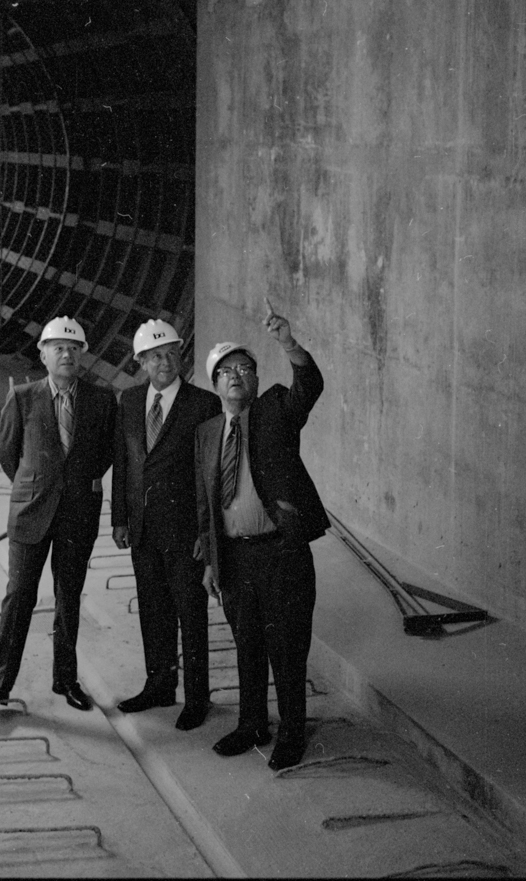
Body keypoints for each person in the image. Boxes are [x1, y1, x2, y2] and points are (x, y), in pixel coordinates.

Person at [194, 299, 328, 769]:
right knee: (247, 646)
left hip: (280, 554)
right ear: (214, 385)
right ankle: (252, 723)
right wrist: (211, 559)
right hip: (234, 558)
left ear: (254, 379)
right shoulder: (208, 432)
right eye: (226, 371)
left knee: (287, 649)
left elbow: (307, 387)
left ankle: (292, 734)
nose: (236, 376)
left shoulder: (273, 410)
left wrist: (288, 344)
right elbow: (206, 502)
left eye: (245, 369)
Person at [0, 316, 117, 710]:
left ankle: (65, 680)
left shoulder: (101, 400)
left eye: (73, 348)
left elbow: (105, 452)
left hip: (77, 515)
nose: (66, 354)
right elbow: (8, 454)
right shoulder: (23, 397)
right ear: (43, 355)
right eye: (58, 348)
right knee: (19, 596)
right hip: (30, 513)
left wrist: (74, 482)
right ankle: (0, 684)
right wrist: (37, 485)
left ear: (82, 355)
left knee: (67, 598)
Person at [111, 320, 220, 730]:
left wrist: (205, 535)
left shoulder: (202, 404)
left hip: (184, 531)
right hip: (143, 529)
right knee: (153, 610)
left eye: (172, 353)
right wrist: (120, 518)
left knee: (190, 614)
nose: (165, 362)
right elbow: (125, 463)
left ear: (181, 356)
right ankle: (159, 685)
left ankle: (197, 698)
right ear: (140, 361)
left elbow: (209, 474)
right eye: (155, 356)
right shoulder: (130, 400)